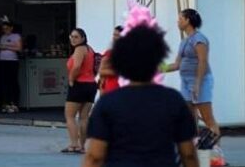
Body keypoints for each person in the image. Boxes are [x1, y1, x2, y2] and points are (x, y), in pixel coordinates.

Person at [83, 26, 199, 167]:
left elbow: (95, 156)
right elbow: (188, 154)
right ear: (158, 60)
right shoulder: (173, 100)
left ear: (122, 61)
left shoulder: (107, 103)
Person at [163, 8, 220, 137]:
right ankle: (195, 148)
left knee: (207, 118)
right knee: (189, 118)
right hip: (186, 82)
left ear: (187, 20)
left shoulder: (199, 39)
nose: (177, 22)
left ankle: (216, 153)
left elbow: (203, 61)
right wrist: (158, 68)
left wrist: (197, 84)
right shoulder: (184, 41)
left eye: (180, 19)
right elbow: (177, 65)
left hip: (201, 81)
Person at [63, 28, 97, 154]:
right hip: (91, 85)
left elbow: (77, 66)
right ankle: (82, 146)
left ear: (83, 38)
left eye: (76, 37)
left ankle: (73, 144)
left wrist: (71, 80)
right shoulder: (90, 49)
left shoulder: (79, 49)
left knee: (70, 116)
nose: (73, 39)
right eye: (71, 36)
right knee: (84, 117)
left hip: (79, 85)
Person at [0, 18, 22, 113]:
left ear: (11, 28)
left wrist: (6, 47)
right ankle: (6, 103)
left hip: (12, 61)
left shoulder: (16, 36)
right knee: (5, 83)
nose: (5, 30)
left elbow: (19, 48)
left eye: (7, 28)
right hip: (3, 61)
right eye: (4, 29)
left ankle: (14, 103)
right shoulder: (2, 37)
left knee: (13, 82)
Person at [98, 26, 123, 96]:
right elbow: (101, 72)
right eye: (114, 35)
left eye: (118, 35)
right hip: (112, 89)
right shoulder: (109, 53)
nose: (115, 38)